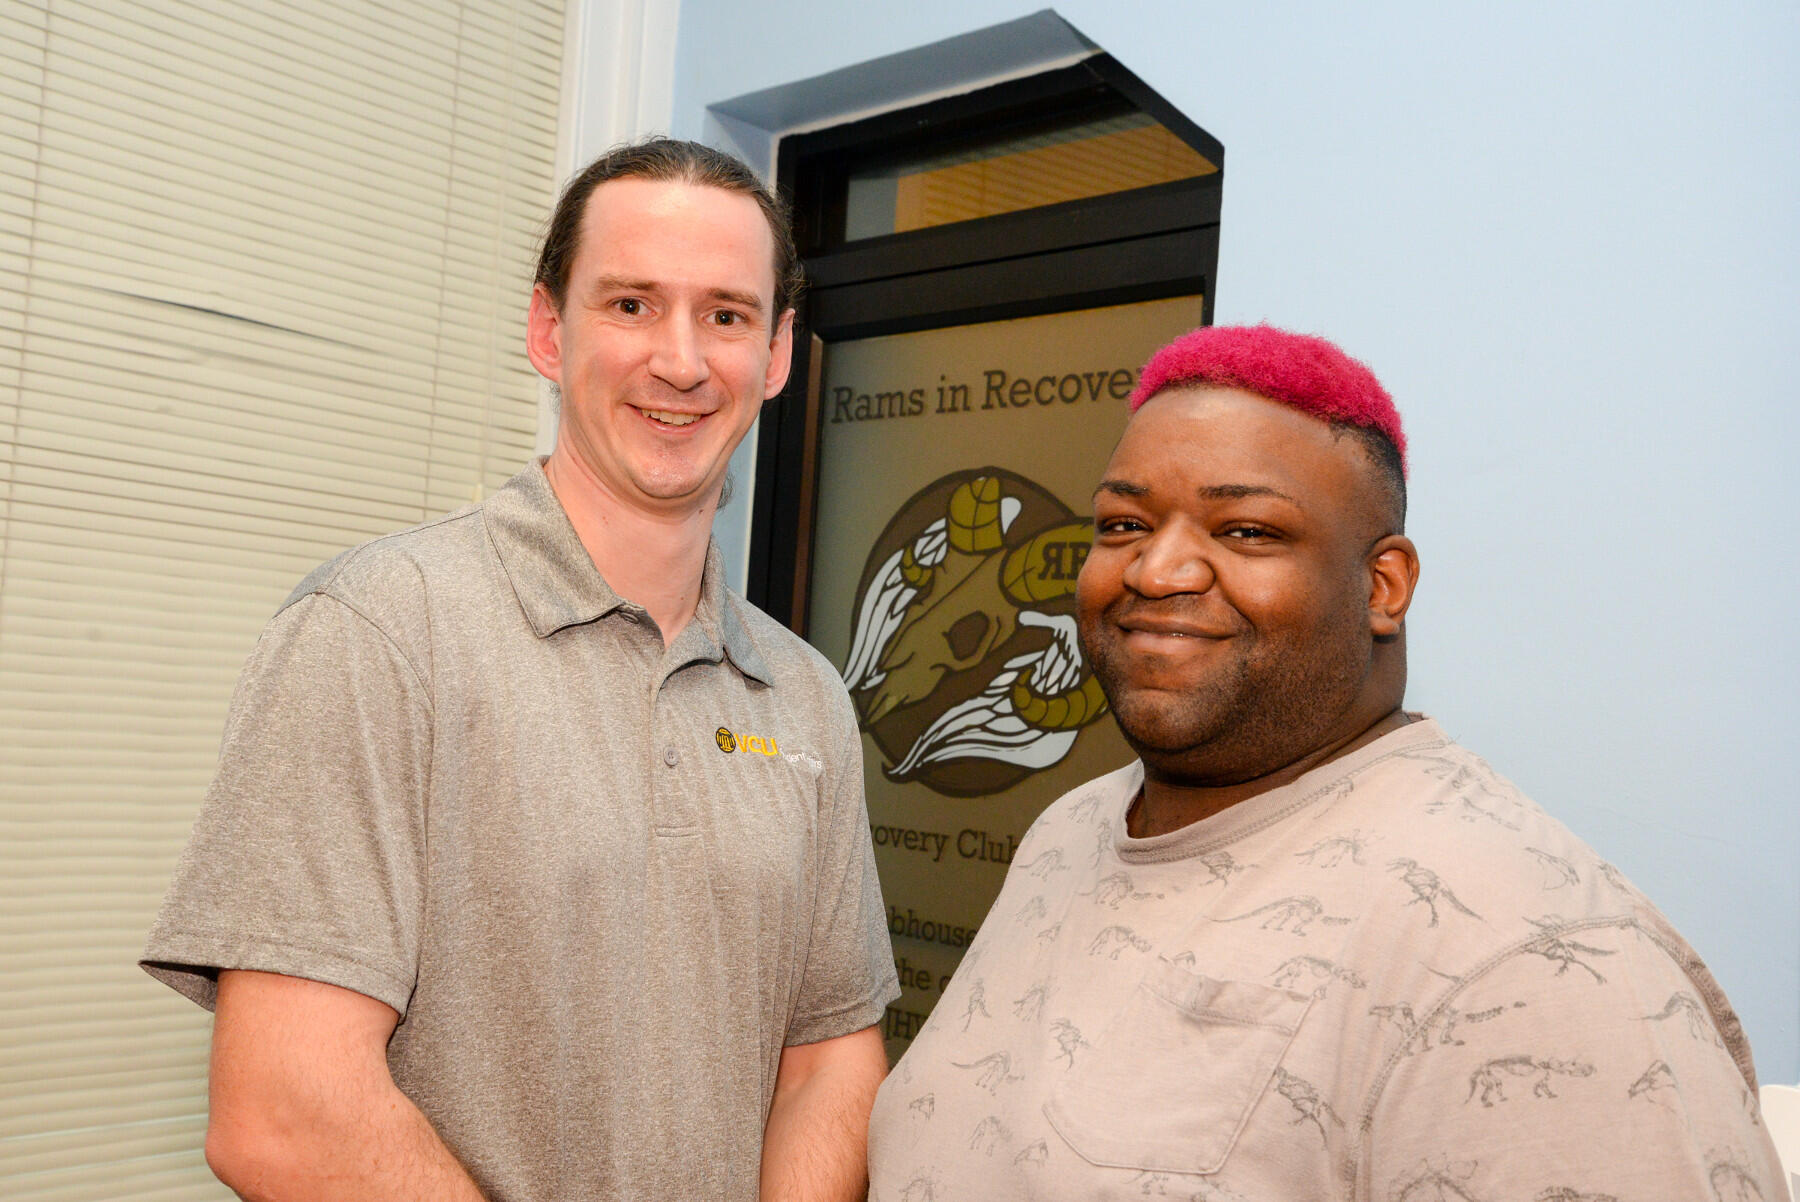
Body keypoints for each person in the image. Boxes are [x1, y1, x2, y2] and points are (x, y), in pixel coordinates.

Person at [866, 325, 1784, 1201]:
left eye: (1246, 531)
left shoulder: (1532, 958)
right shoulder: (1071, 829)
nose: (1155, 570)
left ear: (1383, 586)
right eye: (1122, 524)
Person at [142, 138, 898, 1202]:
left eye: (726, 315)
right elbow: (284, 1110)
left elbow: (830, 1064)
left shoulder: (806, 694)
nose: (681, 361)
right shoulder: (379, 630)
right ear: (550, 329)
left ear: (775, 354)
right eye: (631, 304)